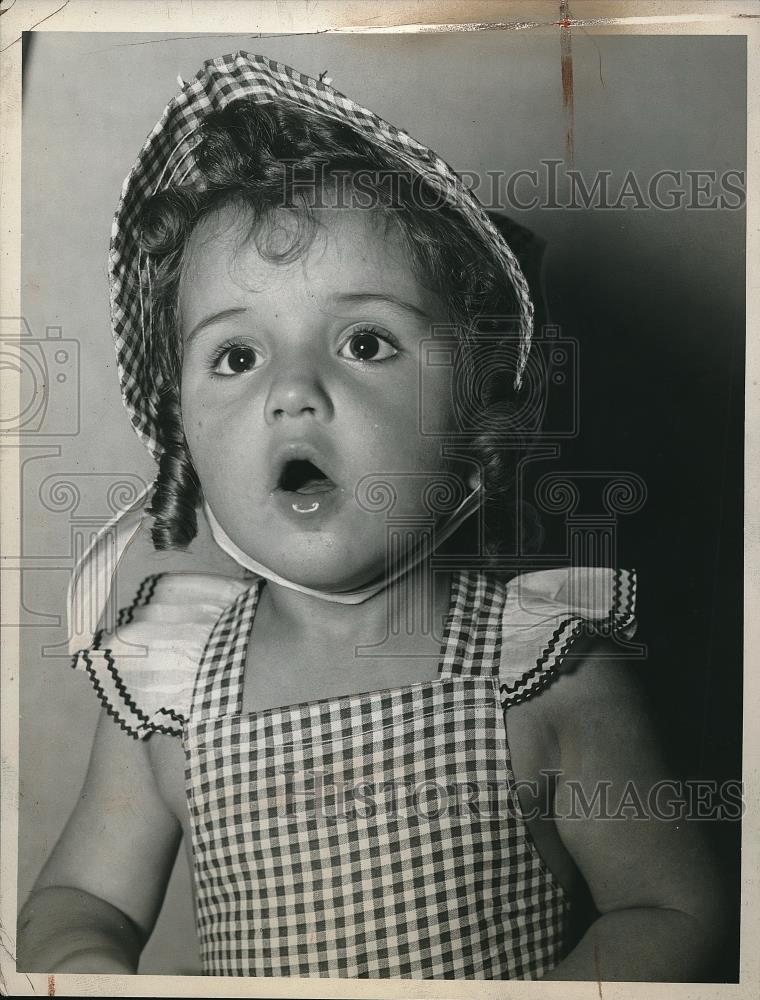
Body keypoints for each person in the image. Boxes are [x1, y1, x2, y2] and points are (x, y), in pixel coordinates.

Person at [17, 52, 725, 980]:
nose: (293, 393)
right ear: (183, 434)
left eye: (364, 341)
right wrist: (86, 964)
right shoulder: (168, 692)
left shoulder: (543, 668)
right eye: (236, 356)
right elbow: (81, 902)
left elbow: (672, 909)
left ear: (477, 412)